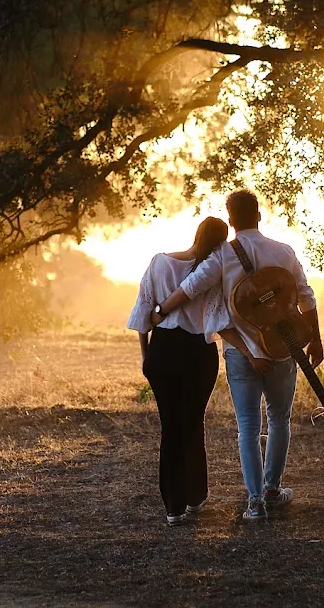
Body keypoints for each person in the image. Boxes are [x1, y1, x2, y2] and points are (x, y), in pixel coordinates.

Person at [152, 190, 324, 521]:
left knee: (247, 425)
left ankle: (255, 502)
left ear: (231, 220)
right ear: (258, 215)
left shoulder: (223, 255)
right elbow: (306, 296)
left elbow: (191, 287)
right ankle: (273, 490)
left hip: (241, 354)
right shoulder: (283, 251)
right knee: (279, 420)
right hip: (282, 348)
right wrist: (315, 340)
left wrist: (160, 310)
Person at [127, 216, 232, 526]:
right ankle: (196, 497)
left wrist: (147, 358)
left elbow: (143, 312)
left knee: (170, 427)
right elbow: (222, 313)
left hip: (162, 350)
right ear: (221, 243)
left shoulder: (158, 262)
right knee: (192, 422)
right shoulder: (214, 268)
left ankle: (174, 506)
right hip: (198, 352)